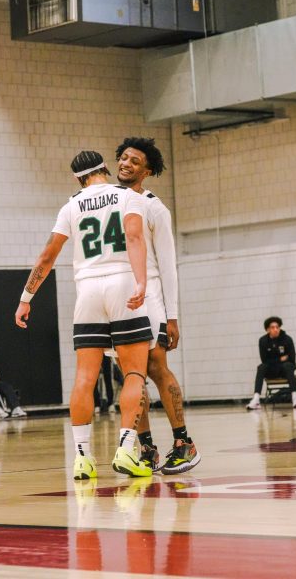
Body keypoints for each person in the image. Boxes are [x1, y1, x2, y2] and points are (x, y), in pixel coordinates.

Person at [15, 151, 153, 480]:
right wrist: (141, 281)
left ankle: (82, 458)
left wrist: (25, 298)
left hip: (87, 291)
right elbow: (133, 236)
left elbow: (47, 257)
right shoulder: (127, 195)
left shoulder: (71, 206)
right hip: (121, 283)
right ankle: (125, 449)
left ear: (78, 178)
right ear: (105, 168)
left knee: (84, 378)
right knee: (134, 372)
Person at [115, 137, 200, 475]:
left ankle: (184, 442)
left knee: (155, 367)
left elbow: (168, 266)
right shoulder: (112, 203)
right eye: (123, 157)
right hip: (121, 299)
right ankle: (146, 448)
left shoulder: (154, 207)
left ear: (147, 171)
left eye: (134, 161)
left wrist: (172, 316)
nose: (126, 163)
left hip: (150, 298)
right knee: (131, 374)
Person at [247, 316, 296, 410]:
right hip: (272, 370)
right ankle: (256, 399)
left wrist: (276, 361)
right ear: (267, 330)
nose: (276, 329)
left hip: (285, 371)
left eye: (277, 327)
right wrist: (280, 359)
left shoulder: (287, 339)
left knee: (288, 365)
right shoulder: (263, 341)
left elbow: (291, 360)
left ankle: (295, 397)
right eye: (273, 327)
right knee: (261, 367)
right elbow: (264, 360)